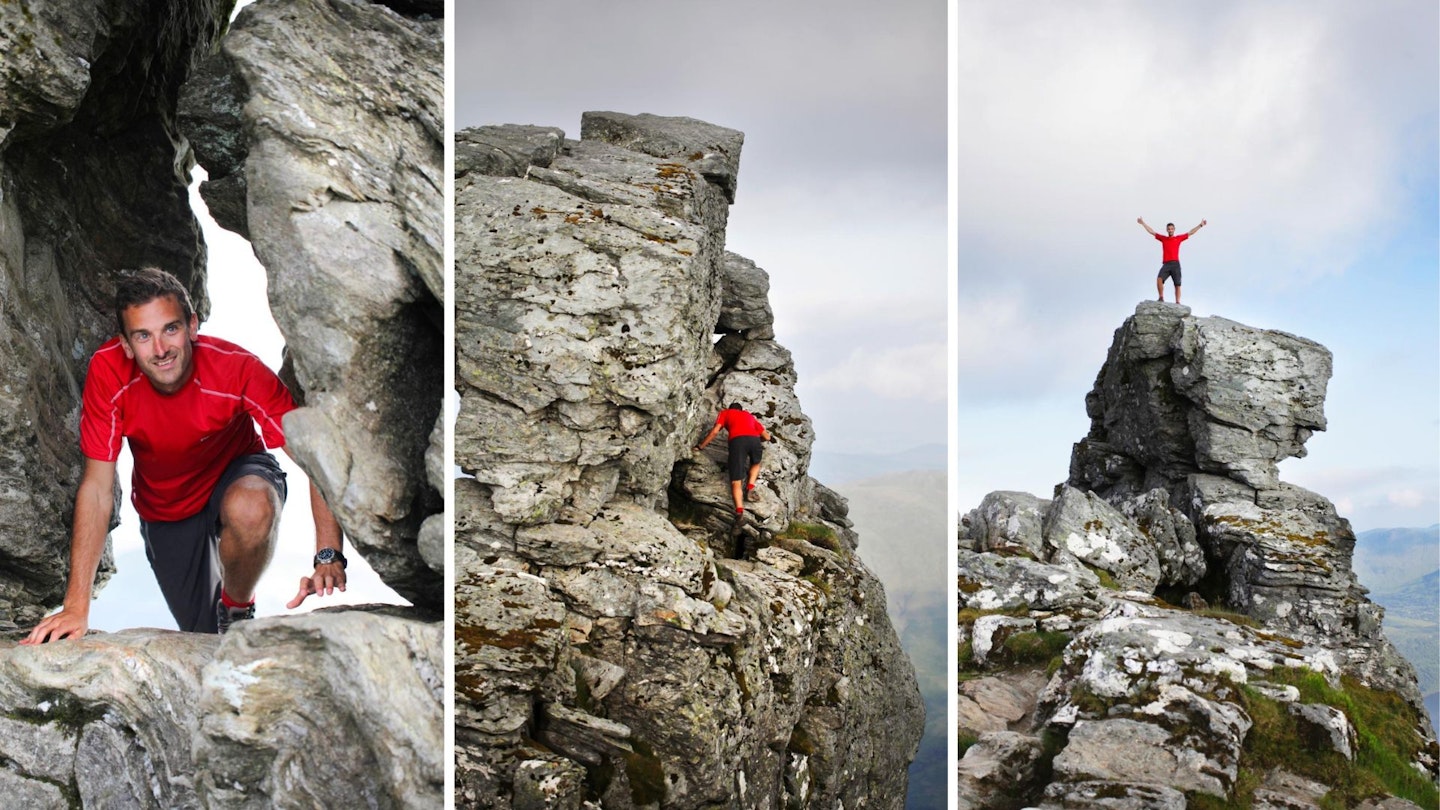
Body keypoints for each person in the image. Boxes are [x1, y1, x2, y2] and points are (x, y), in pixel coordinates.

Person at [23, 267, 347, 643]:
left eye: (171, 329)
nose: (160, 350)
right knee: (204, 639)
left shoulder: (237, 369)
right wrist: (77, 608)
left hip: (237, 470)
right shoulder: (109, 373)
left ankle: (237, 607)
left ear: (193, 326)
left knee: (251, 506)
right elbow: (97, 488)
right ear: (126, 345)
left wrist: (328, 554)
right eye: (144, 336)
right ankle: (216, 623)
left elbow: (313, 453)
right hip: (167, 508)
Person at [693, 403, 772, 516]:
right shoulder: (749, 415)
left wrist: (701, 446)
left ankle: (739, 513)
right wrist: (754, 440)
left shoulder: (725, 413)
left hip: (737, 441)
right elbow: (767, 437)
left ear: (730, 409)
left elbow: (715, 431)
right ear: (741, 409)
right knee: (756, 463)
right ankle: (750, 487)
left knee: (736, 481)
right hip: (755, 440)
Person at [1137, 217, 1206, 304]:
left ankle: (1177, 302)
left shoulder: (1178, 238)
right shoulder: (1163, 239)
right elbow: (1152, 232)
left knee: (1177, 285)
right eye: (1169, 229)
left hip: (1175, 264)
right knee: (1159, 279)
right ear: (1167, 230)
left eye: (1172, 229)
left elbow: (1190, 232)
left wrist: (1200, 225)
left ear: (1174, 230)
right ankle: (1161, 297)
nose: (1170, 230)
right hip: (1166, 264)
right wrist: (1143, 223)